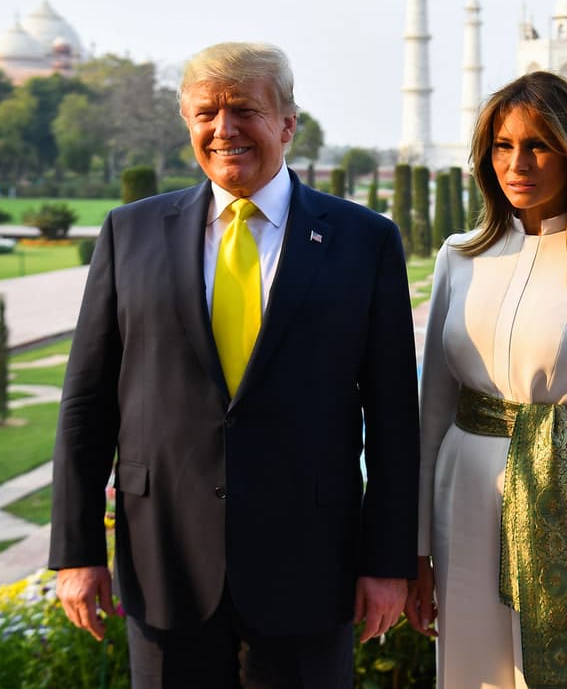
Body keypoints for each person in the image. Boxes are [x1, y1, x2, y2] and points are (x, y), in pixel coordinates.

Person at [49, 42, 420, 687]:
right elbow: (87, 402)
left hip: (309, 566)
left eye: (245, 109)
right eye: (206, 113)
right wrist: (77, 551)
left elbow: (393, 419)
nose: (224, 129)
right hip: (165, 561)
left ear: (288, 123)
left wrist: (387, 563)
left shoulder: (363, 241)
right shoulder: (130, 233)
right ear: (188, 123)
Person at [406, 71, 567, 688]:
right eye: (503, 145)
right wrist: (417, 552)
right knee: (471, 669)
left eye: (538, 145)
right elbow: (431, 415)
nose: (517, 164)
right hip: (464, 495)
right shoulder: (460, 256)